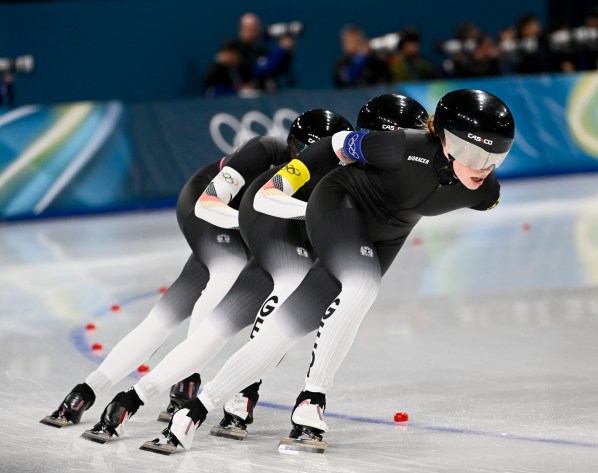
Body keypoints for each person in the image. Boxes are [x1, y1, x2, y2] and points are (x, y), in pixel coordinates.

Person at [149, 89, 514, 454]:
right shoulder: (403, 146)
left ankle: (192, 413)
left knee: (282, 331)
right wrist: (287, 180)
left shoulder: (485, 191)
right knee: (361, 285)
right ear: (444, 139)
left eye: (496, 157)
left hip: (385, 236)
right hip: (339, 204)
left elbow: (464, 184)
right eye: (472, 152)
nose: (483, 166)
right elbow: (334, 145)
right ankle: (312, 401)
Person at [85, 95, 427, 449]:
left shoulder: (385, 170)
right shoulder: (285, 151)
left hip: (286, 229)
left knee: (220, 330)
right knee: (275, 293)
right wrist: (316, 214)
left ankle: (130, 400)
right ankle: (239, 393)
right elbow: (254, 199)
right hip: (254, 217)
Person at [39, 108, 350, 436]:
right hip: (208, 207)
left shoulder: (331, 176)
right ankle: (187, 381)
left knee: (169, 314)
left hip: (250, 225)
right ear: (290, 147)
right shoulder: (263, 151)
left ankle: (83, 394)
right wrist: (277, 217)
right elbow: (210, 203)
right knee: (226, 271)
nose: (308, 164)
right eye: (301, 153)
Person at [227, 12, 296, 93]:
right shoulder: (233, 48)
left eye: (255, 27)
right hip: (241, 97)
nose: (254, 31)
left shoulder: (261, 49)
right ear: (242, 29)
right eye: (250, 28)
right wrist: (282, 49)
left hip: (265, 96)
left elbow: (279, 70)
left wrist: (287, 53)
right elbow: (260, 69)